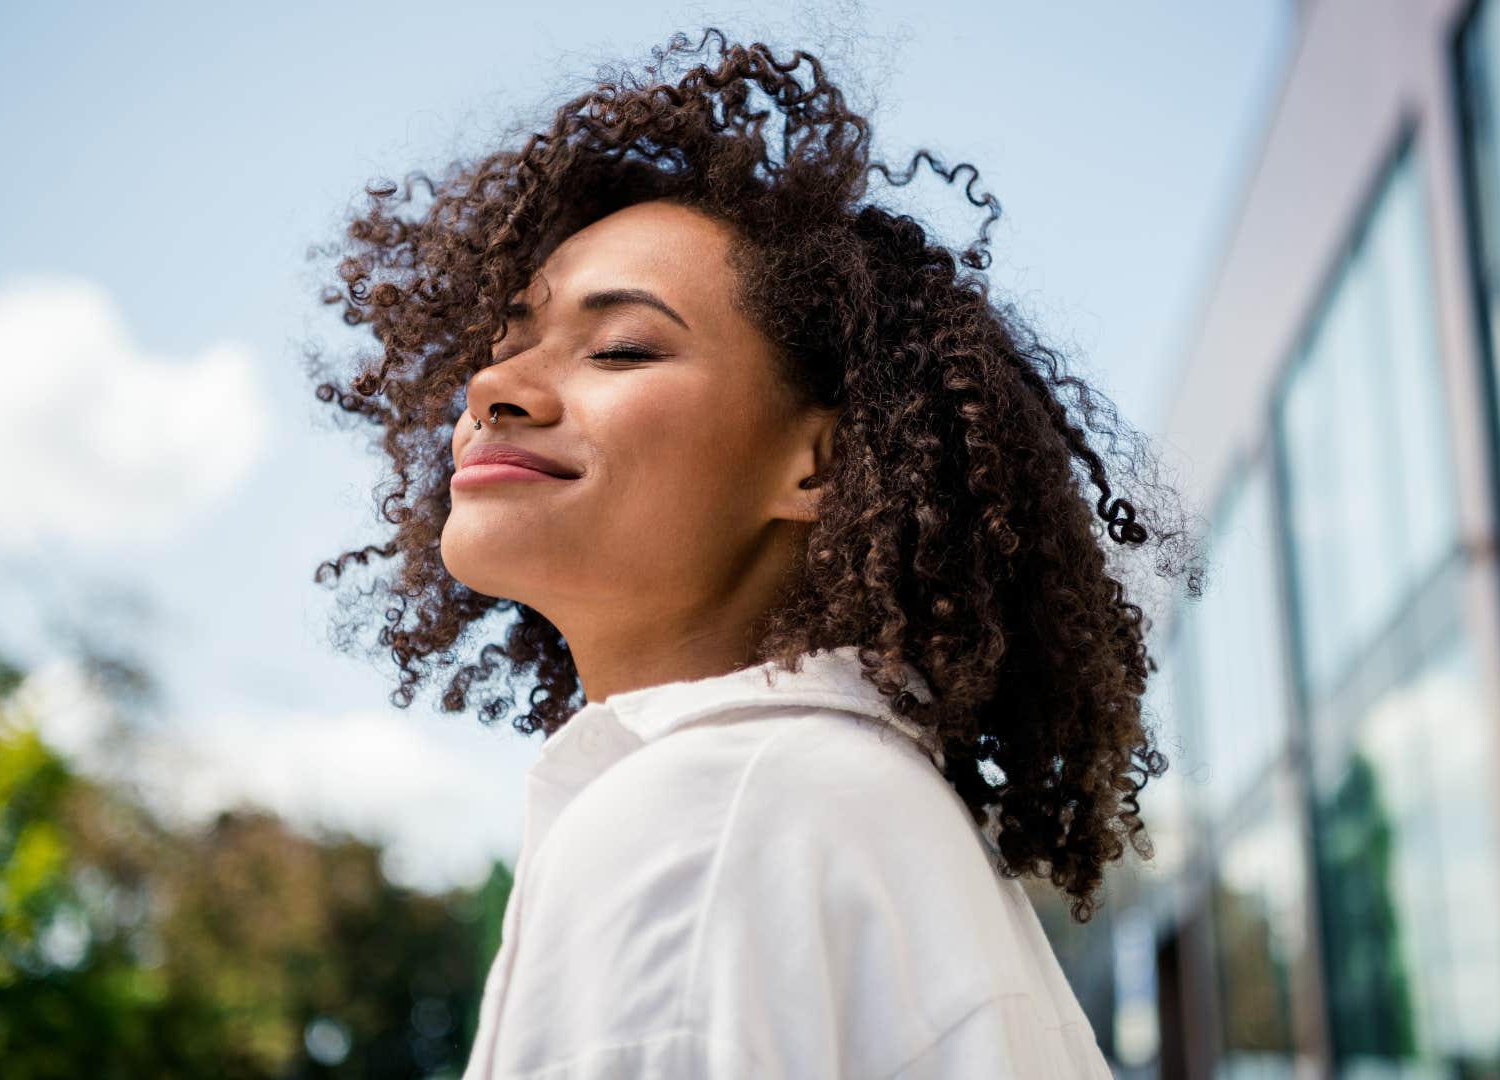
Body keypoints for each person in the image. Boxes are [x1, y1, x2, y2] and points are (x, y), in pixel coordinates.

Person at [307, 26, 1203, 1079]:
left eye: (623, 347)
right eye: (506, 346)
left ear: (818, 465)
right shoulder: (863, 822)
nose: (491, 390)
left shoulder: (697, 831)